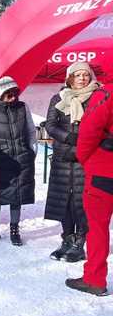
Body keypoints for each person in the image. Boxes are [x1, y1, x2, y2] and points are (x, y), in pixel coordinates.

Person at [45, 62, 100, 262]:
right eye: (78, 75)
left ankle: (80, 242)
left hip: (86, 158)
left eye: (86, 75)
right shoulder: (58, 98)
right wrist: (69, 138)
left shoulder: (97, 97)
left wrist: (84, 142)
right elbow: (50, 126)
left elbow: (101, 126)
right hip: (62, 157)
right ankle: (66, 239)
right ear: (70, 77)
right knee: (63, 200)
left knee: (81, 201)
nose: (82, 78)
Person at [0, 76, 37, 246]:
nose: (13, 97)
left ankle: (14, 229)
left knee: (17, 196)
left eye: (14, 94)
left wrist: (32, 151)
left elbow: (31, 131)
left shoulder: (23, 108)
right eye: (8, 94)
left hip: (21, 160)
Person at [66, 83, 113, 296]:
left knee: (97, 228)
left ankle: (94, 279)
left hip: (104, 169)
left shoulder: (106, 93)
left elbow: (89, 129)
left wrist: (85, 158)